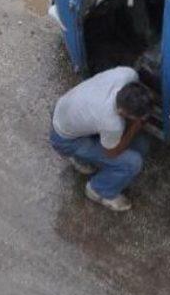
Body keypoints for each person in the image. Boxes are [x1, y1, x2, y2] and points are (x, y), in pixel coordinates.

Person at [49, 66, 153, 212]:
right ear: (121, 112)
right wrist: (135, 127)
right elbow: (112, 152)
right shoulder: (111, 123)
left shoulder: (127, 74)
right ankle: (99, 190)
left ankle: (83, 158)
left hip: (63, 111)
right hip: (64, 139)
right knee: (132, 162)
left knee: (141, 144)